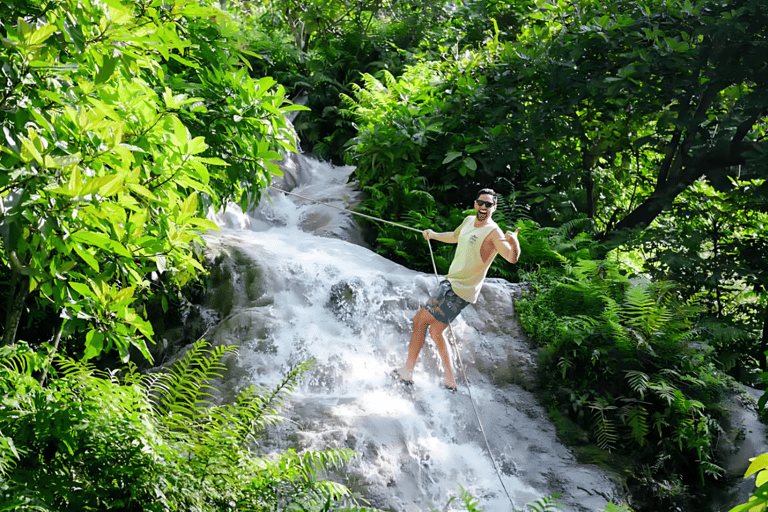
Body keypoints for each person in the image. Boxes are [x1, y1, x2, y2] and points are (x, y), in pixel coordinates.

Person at [393, 188, 521, 391]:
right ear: (475, 204)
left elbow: (511, 258)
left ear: (494, 207)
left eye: (488, 204)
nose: (483, 207)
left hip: (459, 290)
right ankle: (450, 380)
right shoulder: (469, 221)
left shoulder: (494, 233)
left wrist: (514, 243)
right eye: (481, 203)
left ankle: (407, 372)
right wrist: (434, 235)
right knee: (436, 331)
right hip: (451, 284)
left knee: (419, 321)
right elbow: (455, 236)